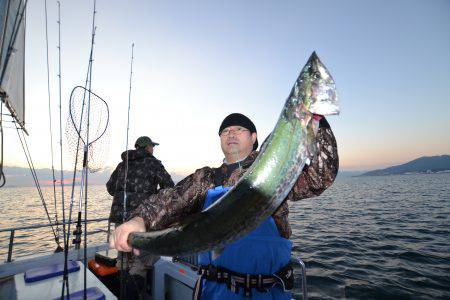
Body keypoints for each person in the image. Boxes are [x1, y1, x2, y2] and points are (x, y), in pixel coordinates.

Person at [111, 113, 339, 299]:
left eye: (238, 129)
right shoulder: (206, 179)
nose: (231, 133)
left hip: (268, 293)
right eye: (225, 131)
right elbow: (169, 198)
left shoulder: (277, 173)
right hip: (215, 292)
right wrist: (138, 219)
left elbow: (320, 177)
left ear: (254, 137)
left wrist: (317, 122)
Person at [106, 136, 174, 299]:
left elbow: (110, 188)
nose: (153, 149)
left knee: (123, 257)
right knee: (140, 261)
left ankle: (121, 292)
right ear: (147, 147)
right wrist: (153, 196)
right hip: (141, 220)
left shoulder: (123, 164)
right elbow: (169, 188)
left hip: (120, 219)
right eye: (152, 146)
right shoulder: (154, 163)